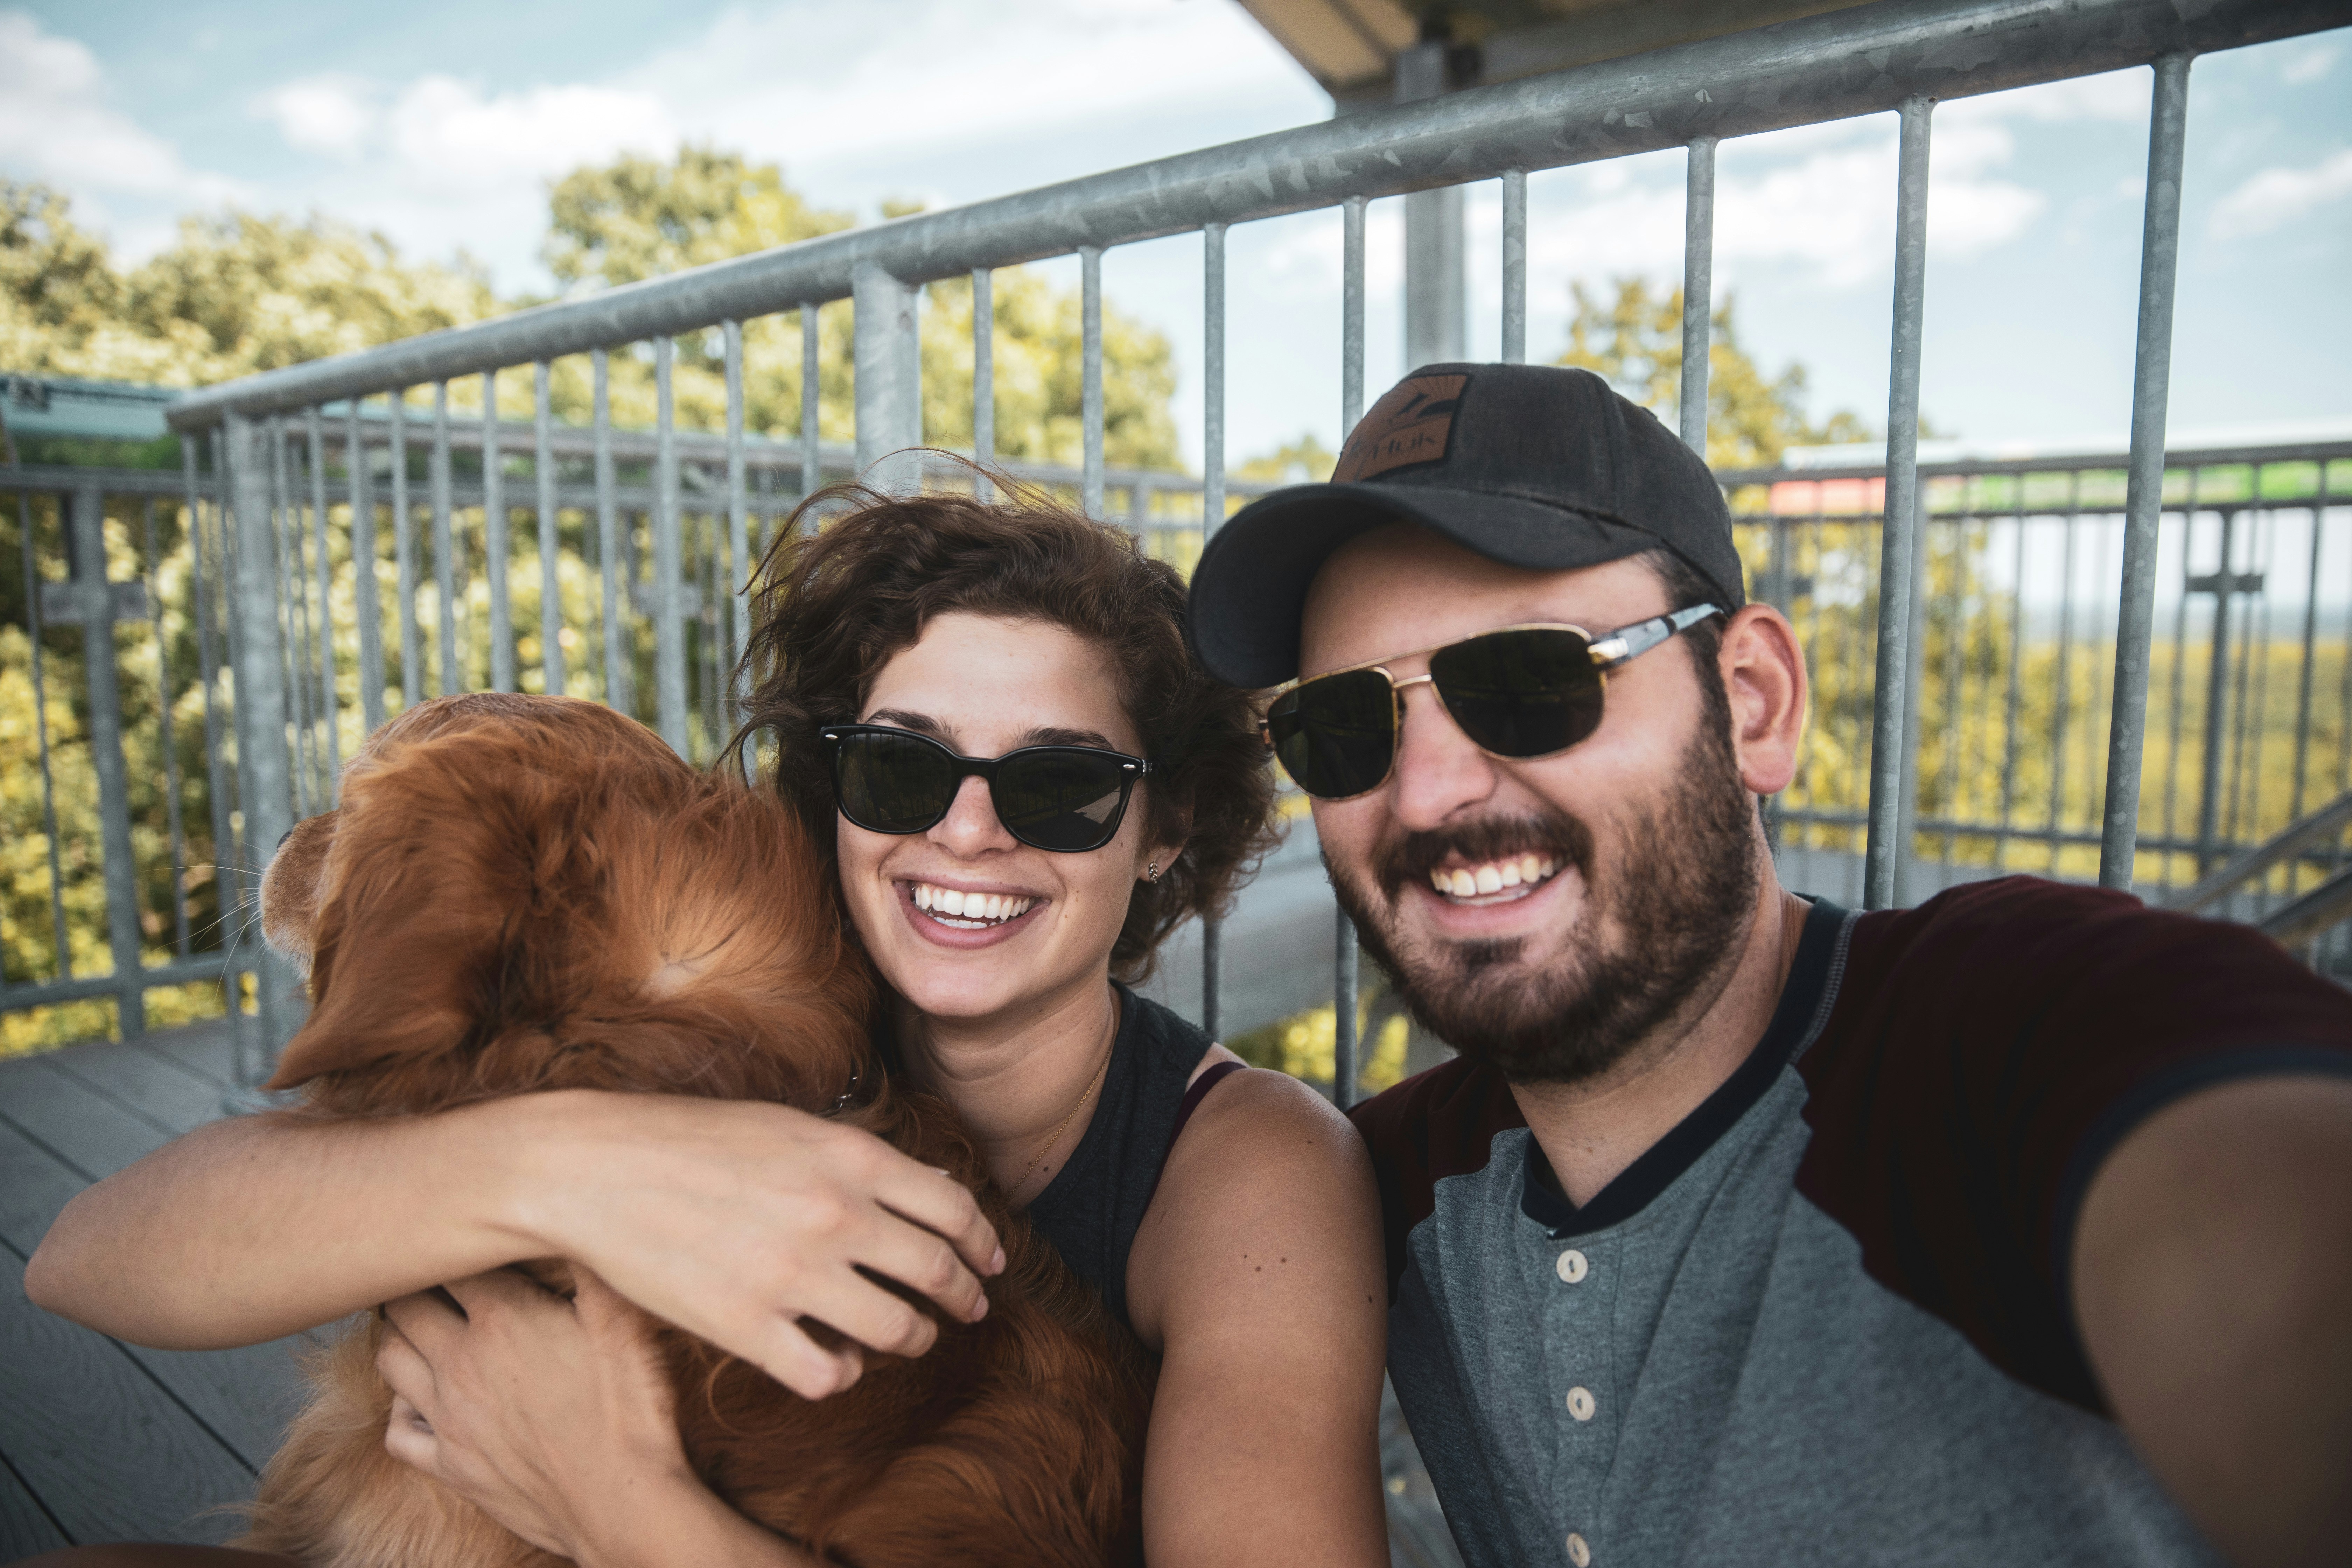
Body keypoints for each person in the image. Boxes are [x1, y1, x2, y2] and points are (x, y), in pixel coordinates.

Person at [28, 484, 1390, 1567]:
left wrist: (614, 1501)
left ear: (1170, 832)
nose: (965, 828)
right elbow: (85, 1263)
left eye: (1062, 786)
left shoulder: (1251, 1164)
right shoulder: (737, 1006)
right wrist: (575, 1169)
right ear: (838, 790)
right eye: (903, 765)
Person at [1183, 363, 2352, 1568]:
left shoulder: (2004, 1034)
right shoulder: (1380, 1193)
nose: (1428, 791)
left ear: (1752, 702)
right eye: (1344, 726)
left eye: (1528, 682)